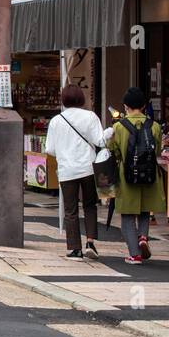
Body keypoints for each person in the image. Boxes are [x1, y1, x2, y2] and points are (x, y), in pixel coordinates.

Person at [106, 86, 165, 266]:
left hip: (127, 175)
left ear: (125, 106)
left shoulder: (118, 126)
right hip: (149, 175)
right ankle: (143, 238)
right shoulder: (154, 126)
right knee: (145, 211)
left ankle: (135, 255)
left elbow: (112, 151)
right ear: (144, 105)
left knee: (128, 216)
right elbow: (158, 149)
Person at [44, 85, 103, 260]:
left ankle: (75, 248)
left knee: (70, 210)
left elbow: (50, 149)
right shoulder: (91, 116)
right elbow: (99, 140)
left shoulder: (56, 120)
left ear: (64, 99)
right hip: (88, 168)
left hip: (67, 170)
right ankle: (90, 242)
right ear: (81, 98)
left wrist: (65, 152)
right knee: (90, 205)